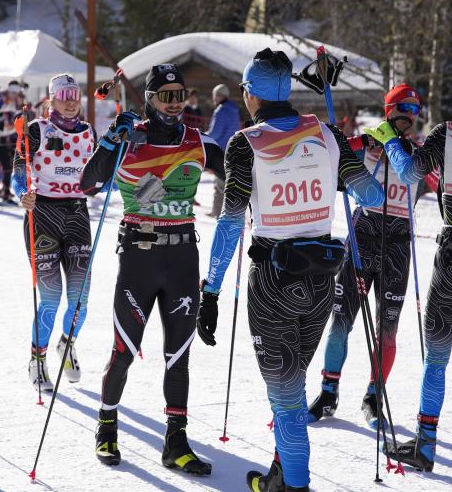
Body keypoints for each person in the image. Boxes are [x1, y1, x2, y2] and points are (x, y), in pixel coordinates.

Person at [197, 49, 384, 491]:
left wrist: (211, 292)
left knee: (285, 397)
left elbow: (228, 224)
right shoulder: (327, 133)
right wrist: (338, 163)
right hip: (321, 281)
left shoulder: (246, 142)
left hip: (273, 283)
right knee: (293, 385)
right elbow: (373, 196)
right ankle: (281, 476)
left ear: (251, 95)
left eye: (244, 90)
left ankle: (295, 486)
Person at [80, 63, 224, 475]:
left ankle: (175, 443)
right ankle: (107, 428)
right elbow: (88, 184)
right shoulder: (130, 138)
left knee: (179, 356)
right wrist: (110, 140)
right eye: (166, 96)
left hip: (181, 259)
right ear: (150, 98)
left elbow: (240, 175)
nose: (175, 104)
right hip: (139, 259)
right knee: (123, 352)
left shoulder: (199, 140)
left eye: (181, 96)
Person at [308, 84, 423, 429]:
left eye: (414, 110)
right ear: (389, 111)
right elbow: (334, 152)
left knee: (387, 329)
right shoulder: (370, 141)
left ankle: (374, 396)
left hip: (398, 243)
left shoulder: (418, 153)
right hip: (364, 236)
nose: (408, 116)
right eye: (401, 109)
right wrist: (361, 142)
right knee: (341, 319)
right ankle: (329, 393)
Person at [364, 89, 452, 472]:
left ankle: (426, 445)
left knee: (437, 352)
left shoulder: (446, 133)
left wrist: (389, 142)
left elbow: (413, 172)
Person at [11, 74, 95, 392]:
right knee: (50, 297)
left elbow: (99, 172)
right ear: (51, 99)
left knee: (80, 299)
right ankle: (37, 359)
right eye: (64, 95)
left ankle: (66, 344)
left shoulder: (88, 132)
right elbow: (20, 166)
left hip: (76, 216)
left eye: (75, 95)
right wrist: (22, 192)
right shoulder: (38, 129)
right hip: (42, 214)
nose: (71, 101)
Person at [0, 81, 25, 203]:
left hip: (4, 136)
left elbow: (18, 115)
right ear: (8, 91)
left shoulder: (17, 101)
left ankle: (5, 191)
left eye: (16, 93)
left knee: (7, 165)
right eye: (12, 92)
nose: (14, 95)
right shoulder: (0, 97)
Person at [206, 83, 240, 217]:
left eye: (214, 95)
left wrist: (203, 135)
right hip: (232, 148)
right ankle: (229, 211)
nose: (214, 98)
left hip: (221, 150)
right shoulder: (234, 110)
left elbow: (215, 133)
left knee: (220, 183)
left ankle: (217, 212)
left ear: (219, 96)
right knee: (228, 182)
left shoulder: (220, 111)